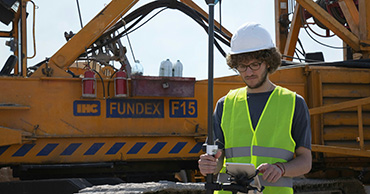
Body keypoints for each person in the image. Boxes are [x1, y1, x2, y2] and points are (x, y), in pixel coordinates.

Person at [198, 22, 312, 194]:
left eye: (255, 65)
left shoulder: (294, 102)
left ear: (268, 62)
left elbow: (306, 161)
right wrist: (208, 165)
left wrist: (281, 168)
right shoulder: (225, 104)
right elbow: (216, 160)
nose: (249, 72)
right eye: (242, 66)